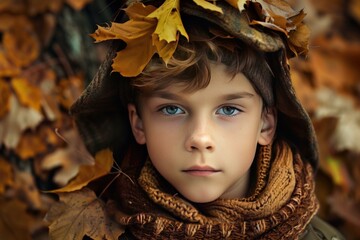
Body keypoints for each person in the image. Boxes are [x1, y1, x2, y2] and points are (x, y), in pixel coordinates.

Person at [69, 0, 345, 239]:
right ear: (138, 123)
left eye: (228, 110)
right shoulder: (96, 230)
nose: (200, 138)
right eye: (172, 110)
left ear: (266, 124)